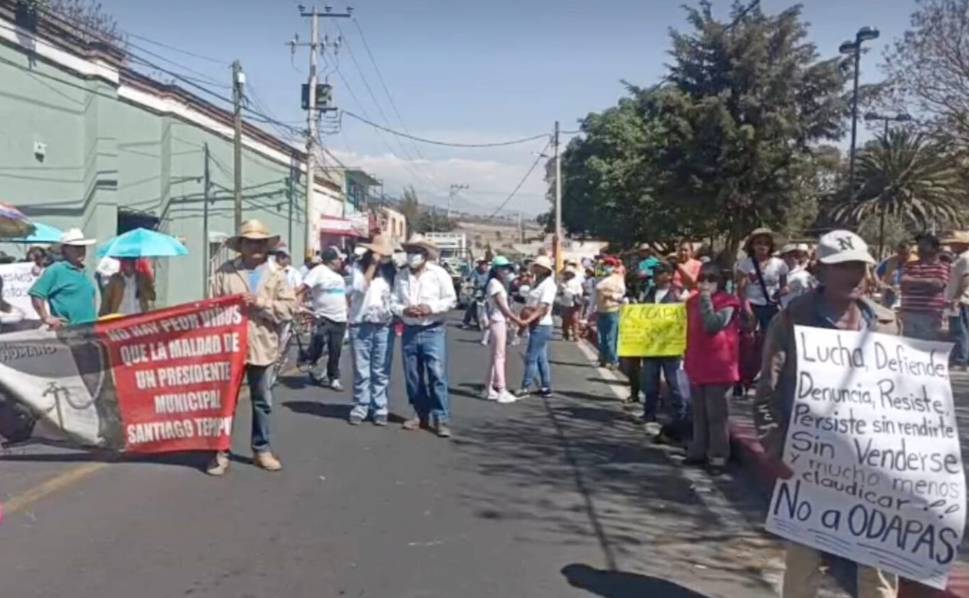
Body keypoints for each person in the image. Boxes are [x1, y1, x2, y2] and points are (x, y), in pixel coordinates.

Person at [753, 229, 897, 598]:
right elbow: (768, 389)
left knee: (878, 565)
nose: (854, 274)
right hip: (809, 461)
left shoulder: (885, 322)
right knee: (803, 563)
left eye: (860, 266)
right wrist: (774, 446)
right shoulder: (792, 319)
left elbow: (905, 393)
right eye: (843, 266)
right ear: (820, 270)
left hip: (873, 462)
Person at [207, 219, 297, 475]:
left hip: (262, 345)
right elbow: (213, 305)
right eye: (250, 242)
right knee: (225, 403)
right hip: (230, 346)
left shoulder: (277, 274)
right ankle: (219, 451)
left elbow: (289, 309)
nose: (255, 247)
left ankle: (262, 449)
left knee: (262, 402)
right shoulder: (225, 271)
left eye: (260, 242)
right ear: (241, 245)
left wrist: (260, 303)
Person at [391, 235, 457, 438]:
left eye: (416, 252)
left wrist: (431, 308)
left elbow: (451, 300)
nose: (412, 256)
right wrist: (404, 310)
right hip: (410, 330)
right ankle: (420, 414)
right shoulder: (401, 276)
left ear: (426, 255)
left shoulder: (439, 274)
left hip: (432, 329)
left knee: (436, 375)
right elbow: (393, 302)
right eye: (409, 251)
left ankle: (441, 418)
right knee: (413, 376)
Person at [684, 262, 740, 474]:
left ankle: (718, 456)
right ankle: (698, 450)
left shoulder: (728, 302)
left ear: (720, 281)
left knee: (717, 415)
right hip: (698, 362)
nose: (706, 283)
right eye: (702, 279)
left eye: (711, 279)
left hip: (720, 364)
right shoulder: (691, 302)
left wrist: (706, 299)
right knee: (699, 413)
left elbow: (712, 325)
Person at [347, 234, 397, 426]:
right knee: (362, 370)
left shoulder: (391, 272)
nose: (383, 257)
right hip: (361, 324)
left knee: (381, 369)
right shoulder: (358, 268)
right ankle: (361, 406)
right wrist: (373, 266)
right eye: (380, 254)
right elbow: (360, 288)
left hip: (384, 325)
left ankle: (380, 407)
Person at [639, 263, 688, 435]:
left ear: (669, 275)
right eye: (655, 273)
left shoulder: (678, 293)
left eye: (659, 273)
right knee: (650, 381)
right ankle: (649, 412)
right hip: (652, 345)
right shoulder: (650, 292)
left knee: (673, 381)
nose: (655, 276)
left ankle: (679, 415)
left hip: (670, 346)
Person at [300, 247, 349, 390]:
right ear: (332, 260)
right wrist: (296, 303)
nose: (341, 262)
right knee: (318, 342)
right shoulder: (318, 271)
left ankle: (333, 377)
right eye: (339, 259)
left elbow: (343, 296)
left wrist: (348, 311)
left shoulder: (339, 277)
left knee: (336, 350)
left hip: (340, 318)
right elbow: (303, 287)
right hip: (323, 316)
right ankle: (309, 360)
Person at [29, 228, 97, 329]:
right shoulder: (56, 270)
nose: (81, 250)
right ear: (65, 249)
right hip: (68, 332)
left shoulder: (85, 271)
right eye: (76, 247)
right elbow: (36, 293)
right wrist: (45, 317)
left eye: (82, 247)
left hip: (90, 330)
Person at [482, 256, 522, 404]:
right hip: (498, 320)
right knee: (500, 357)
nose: (505, 270)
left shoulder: (497, 283)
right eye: (502, 268)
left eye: (507, 267)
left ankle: (488, 388)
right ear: (496, 269)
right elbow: (502, 306)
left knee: (495, 356)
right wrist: (514, 319)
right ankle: (501, 390)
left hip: (498, 320)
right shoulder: (495, 284)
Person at [517, 255, 557, 397]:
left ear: (544, 269)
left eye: (537, 266)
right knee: (541, 357)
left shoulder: (548, 285)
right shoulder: (538, 282)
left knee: (531, 357)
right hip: (537, 323)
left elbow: (543, 307)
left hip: (542, 324)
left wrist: (527, 321)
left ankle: (525, 387)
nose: (534, 268)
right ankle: (546, 387)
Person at [736, 227, 788, 332]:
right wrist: (746, 308)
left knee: (770, 336)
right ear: (752, 245)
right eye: (758, 243)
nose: (762, 246)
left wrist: (781, 293)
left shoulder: (780, 264)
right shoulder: (745, 264)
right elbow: (741, 290)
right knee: (748, 337)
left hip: (771, 307)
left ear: (771, 246)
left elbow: (784, 286)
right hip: (751, 305)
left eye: (766, 243)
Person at [900, 232, 949, 340]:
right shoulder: (909, 265)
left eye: (924, 244)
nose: (920, 247)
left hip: (931, 315)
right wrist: (928, 281)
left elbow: (939, 284)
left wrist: (914, 281)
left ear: (934, 248)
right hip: (909, 313)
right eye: (919, 244)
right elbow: (904, 281)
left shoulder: (942, 266)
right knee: (908, 345)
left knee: (927, 347)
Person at [595, 256, 625, 369]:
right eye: (606, 265)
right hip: (600, 310)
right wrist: (590, 312)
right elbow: (595, 296)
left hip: (612, 310)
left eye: (610, 265)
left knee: (611, 337)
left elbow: (622, 295)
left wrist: (611, 296)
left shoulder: (618, 279)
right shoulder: (599, 278)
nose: (607, 267)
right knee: (601, 337)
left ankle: (613, 360)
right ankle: (602, 358)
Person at [945, 231, 969, 370]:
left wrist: (957, 297)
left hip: (962, 300)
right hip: (962, 299)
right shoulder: (961, 258)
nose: (951, 245)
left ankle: (961, 359)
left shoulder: (965, 259)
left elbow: (966, 278)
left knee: (960, 330)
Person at [876, 241, 914, 309]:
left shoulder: (915, 262)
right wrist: (881, 284)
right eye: (900, 253)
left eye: (906, 253)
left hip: (909, 298)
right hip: (889, 297)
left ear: (910, 252)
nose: (903, 256)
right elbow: (876, 274)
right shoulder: (889, 261)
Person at [779, 243, 814, 308]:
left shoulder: (804, 275)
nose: (793, 258)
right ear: (782, 257)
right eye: (789, 255)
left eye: (796, 256)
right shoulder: (776, 273)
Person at [462, 258, 490, 329]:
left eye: (485, 265)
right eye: (482, 264)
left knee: (490, 306)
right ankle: (466, 322)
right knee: (471, 305)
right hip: (476, 291)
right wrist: (471, 285)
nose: (483, 266)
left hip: (487, 292)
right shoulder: (475, 272)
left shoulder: (490, 273)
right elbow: (472, 280)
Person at [558, 267, 583, 341]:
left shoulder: (576, 282)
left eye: (570, 273)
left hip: (574, 302)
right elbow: (558, 292)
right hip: (565, 303)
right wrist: (562, 292)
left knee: (574, 319)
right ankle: (565, 333)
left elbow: (580, 291)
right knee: (565, 319)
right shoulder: (562, 282)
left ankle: (575, 335)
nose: (568, 275)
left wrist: (575, 294)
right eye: (567, 273)